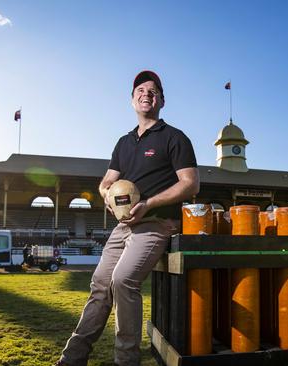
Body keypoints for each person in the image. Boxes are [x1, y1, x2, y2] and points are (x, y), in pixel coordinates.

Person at [56, 71, 199, 366]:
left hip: (157, 222)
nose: (147, 93)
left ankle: (126, 361)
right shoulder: (123, 142)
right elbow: (105, 183)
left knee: (122, 280)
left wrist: (148, 204)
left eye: (154, 91)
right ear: (132, 99)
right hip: (124, 225)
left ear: (162, 100)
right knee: (99, 284)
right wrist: (108, 198)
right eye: (141, 90)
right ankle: (72, 359)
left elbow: (190, 184)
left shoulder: (174, 137)